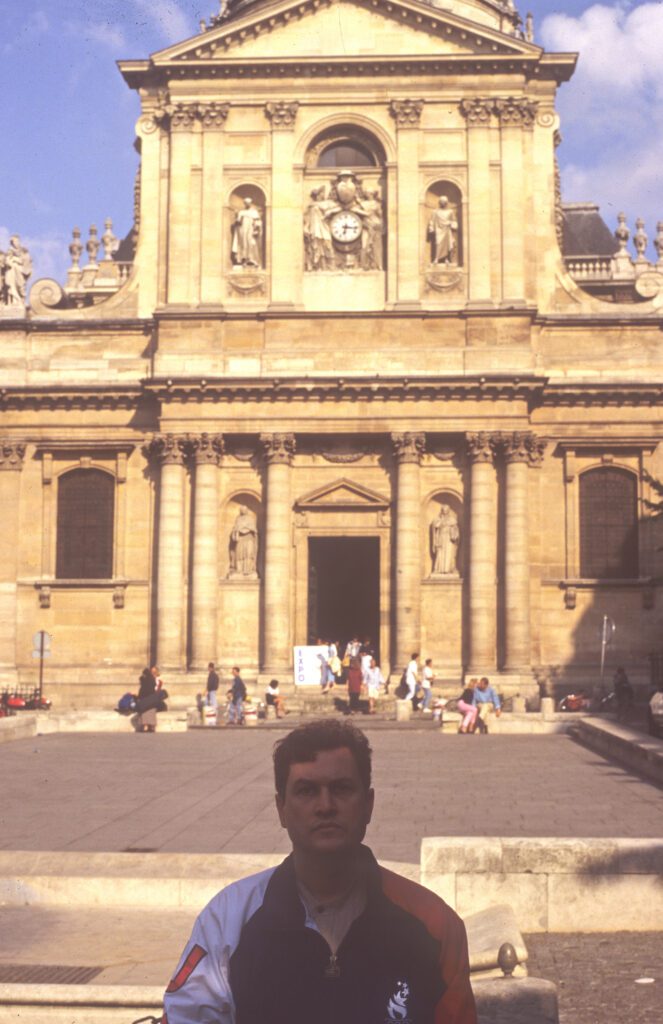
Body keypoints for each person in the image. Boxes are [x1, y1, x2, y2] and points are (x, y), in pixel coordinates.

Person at [163, 719, 476, 1024]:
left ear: (368, 804)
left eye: (341, 789)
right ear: (281, 809)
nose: (325, 806)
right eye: (306, 791)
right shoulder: (227, 920)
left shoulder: (434, 925)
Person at [231, 197, 262, 268]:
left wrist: (256, 229)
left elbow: (257, 221)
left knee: (251, 243)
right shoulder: (242, 212)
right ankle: (244, 259)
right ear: (244, 203)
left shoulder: (254, 212)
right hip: (242, 230)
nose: (247, 204)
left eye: (249, 203)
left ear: (250, 203)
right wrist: (236, 216)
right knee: (243, 244)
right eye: (246, 203)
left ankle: (253, 259)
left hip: (251, 229)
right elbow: (238, 222)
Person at [428, 196, 458, 264]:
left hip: (447, 229)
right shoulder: (435, 211)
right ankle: (436, 258)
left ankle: (446, 259)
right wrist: (431, 227)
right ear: (439, 202)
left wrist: (452, 224)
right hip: (438, 230)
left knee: (447, 244)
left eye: (444, 202)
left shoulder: (450, 211)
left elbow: (453, 220)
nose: (443, 203)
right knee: (438, 243)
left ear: (446, 203)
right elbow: (432, 220)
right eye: (441, 201)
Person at [137, 666, 157, 733]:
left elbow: (142, 691)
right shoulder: (152, 679)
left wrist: (138, 697)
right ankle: (152, 727)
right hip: (152, 699)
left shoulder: (144, 680)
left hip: (145, 700)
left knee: (145, 713)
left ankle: (145, 727)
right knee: (151, 713)